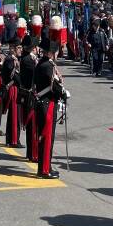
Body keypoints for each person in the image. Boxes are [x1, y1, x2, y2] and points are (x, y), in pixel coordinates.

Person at [32, 46, 66, 179]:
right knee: (47, 138)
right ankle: (44, 169)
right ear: (51, 53)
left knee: (45, 137)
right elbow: (54, 86)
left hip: (43, 102)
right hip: (47, 103)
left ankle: (46, 165)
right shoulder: (48, 66)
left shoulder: (42, 63)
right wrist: (63, 93)